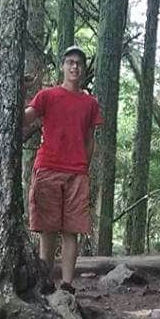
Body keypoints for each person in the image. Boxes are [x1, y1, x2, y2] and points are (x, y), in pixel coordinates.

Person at [23, 45, 102, 293]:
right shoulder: (47, 96)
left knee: (72, 230)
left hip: (77, 172)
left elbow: (90, 139)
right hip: (48, 167)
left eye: (78, 63)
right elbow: (26, 118)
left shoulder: (90, 103)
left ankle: (67, 284)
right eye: (70, 62)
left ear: (83, 68)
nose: (74, 66)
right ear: (62, 66)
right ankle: (46, 282)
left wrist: (83, 166)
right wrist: (15, 93)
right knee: (47, 229)